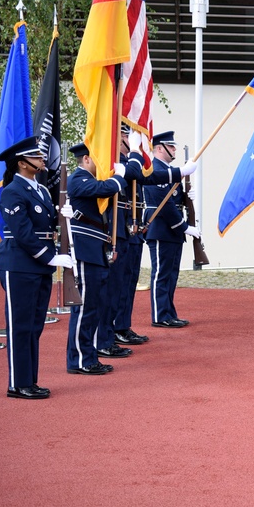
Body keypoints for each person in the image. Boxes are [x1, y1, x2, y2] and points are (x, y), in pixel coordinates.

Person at [0, 135, 75, 399]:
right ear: (22, 163)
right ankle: (17, 384)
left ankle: (30, 380)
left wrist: (62, 216)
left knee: (34, 325)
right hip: (19, 263)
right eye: (37, 157)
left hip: (37, 266)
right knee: (20, 325)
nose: (42, 160)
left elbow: (42, 225)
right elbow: (22, 232)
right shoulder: (12, 191)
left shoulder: (38, 190)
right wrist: (49, 257)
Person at [106, 126, 192, 347]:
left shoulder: (134, 165)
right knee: (125, 280)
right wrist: (181, 225)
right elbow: (153, 185)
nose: (129, 139)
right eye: (124, 135)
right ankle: (116, 328)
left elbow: (152, 179)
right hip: (127, 227)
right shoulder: (120, 164)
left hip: (132, 228)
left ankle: (123, 326)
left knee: (130, 280)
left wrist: (180, 175)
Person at [64, 142, 127, 375]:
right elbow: (103, 189)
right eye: (98, 159)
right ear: (86, 160)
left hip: (95, 248)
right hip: (84, 249)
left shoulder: (86, 180)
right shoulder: (78, 179)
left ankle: (87, 356)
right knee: (84, 308)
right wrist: (119, 177)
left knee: (94, 307)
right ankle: (80, 359)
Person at [142, 131, 200, 327]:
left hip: (172, 230)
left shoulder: (169, 170)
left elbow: (173, 200)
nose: (174, 149)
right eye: (171, 146)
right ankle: (160, 316)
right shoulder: (153, 170)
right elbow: (163, 203)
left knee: (171, 274)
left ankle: (168, 312)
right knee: (161, 273)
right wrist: (184, 227)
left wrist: (186, 197)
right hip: (161, 228)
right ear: (160, 148)